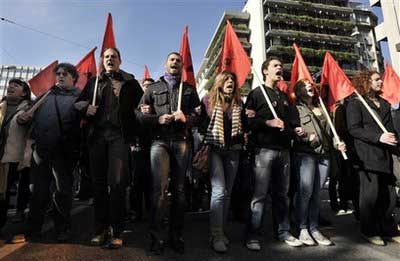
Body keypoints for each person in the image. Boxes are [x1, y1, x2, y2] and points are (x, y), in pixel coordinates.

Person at [75, 47, 143, 249]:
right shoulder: (94, 82)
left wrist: (145, 111)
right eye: (106, 57)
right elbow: (78, 104)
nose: (110, 59)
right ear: (102, 61)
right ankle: (100, 229)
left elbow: (142, 105)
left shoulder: (130, 82)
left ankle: (117, 230)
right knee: (98, 185)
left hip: (119, 138)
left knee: (117, 184)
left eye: (113, 56)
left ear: (120, 60)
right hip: (97, 138)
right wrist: (86, 108)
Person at [139, 52, 201, 255]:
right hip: (159, 143)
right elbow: (138, 113)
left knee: (180, 191)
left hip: (181, 142)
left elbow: (200, 116)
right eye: (171, 60)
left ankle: (176, 236)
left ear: (182, 65)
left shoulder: (190, 90)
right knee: (159, 190)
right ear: (165, 64)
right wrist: (157, 119)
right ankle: (156, 238)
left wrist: (187, 118)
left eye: (178, 60)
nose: (175, 62)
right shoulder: (153, 88)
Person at [16, 63, 81, 242]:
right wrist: (23, 118)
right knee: (38, 191)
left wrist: (87, 111)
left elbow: (87, 121)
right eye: (58, 73)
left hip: (65, 151)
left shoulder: (81, 96)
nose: (60, 76)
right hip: (42, 150)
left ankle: (62, 228)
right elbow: (28, 115)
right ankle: (32, 230)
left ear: (73, 77)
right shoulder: (46, 94)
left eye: (65, 73)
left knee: (62, 192)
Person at [244, 56, 304, 251]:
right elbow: (247, 122)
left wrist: (296, 129)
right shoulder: (256, 94)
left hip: (284, 150)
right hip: (264, 150)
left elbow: (293, 121)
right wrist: (266, 122)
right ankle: (252, 235)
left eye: (281, 66)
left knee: (282, 195)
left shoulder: (284, 96)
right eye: (276, 66)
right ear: (265, 71)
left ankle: (284, 231)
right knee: (259, 194)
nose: (280, 68)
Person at [346, 70, 400, 246]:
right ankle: (368, 230)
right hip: (367, 154)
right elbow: (354, 129)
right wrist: (378, 137)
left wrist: (393, 137)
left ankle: (388, 228)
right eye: (377, 80)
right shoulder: (355, 104)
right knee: (371, 195)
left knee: (389, 194)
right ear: (366, 81)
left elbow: (390, 128)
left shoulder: (384, 103)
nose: (381, 83)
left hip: (386, 154)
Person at [292, 79, 346, 246]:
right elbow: (292, 130)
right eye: (305, 84)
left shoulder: (321, 107)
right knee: (305, 192)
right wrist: (303, 135)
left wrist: (338, 143)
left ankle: (314, 227)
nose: (310, 86)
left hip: (324, 156)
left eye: (311, 84)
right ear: (299, 90)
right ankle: (302, 228)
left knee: (316, 194)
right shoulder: (295, 109)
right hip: (306, 154)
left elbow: (330, 132)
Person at [200, 71, 247, 253]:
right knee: (219, 191)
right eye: (227, 79)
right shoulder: (207, 101)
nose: (230, 82)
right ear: (220, 82)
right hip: (215, 151)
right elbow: (202, 124)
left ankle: (222, 230)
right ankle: (216, 234)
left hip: (234, 151)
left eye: (233, 80)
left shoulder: (239, 103)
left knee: (227, 193)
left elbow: (244, 127)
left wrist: (247, 118)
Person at [0, 79, 31, 233]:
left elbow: (33, 131)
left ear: (24, 92)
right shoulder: (1, 107)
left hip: (12, 157)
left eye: (16, 85)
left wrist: (27, 120)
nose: (10, 87)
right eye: (10, 85)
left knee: (3, 193)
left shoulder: (29, 109)